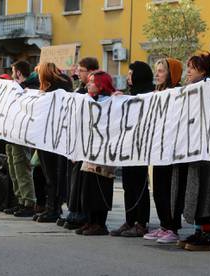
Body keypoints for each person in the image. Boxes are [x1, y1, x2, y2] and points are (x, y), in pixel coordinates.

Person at [173, 53, 210, 251]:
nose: (188, 71)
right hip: (190, 149)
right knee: (192, 191)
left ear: (204, 70)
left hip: (205, 151)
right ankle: (198, 230)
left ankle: (206, 235)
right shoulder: (188, 90)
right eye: (188, 67)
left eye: (193, 67)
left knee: (204, 191)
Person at [110, 61, 154, 237]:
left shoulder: (149, 94)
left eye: (130, 74)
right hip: (127, 147)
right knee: (128, 184)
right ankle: (129, 220)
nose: (128, 77)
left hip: (141, 148)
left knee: (139, 185)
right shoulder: (130, 94)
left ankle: (141, 222)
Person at [143, 58, 183, 244]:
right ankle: (164, 225)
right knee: (158, 189)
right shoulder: (155, 93)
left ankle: (172, 227)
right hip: (158, 150)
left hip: (172, 151)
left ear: (171, 73)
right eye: (156, 70)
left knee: (170, 190)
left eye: (161, 71)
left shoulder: (178, 93)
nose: (157, 74)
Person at [57, 57, 100, 229]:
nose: (77, 73)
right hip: (75, 142)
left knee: (82, 180)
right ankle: (73, 210)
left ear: (90, 72)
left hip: (86, 144)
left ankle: (81, 213)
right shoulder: (81, 90)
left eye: (81, 70)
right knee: (72, 179)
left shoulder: (93, 94)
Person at [75, 70, 116, 236]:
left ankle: (100, 223)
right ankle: (90, 221)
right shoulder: (87, 101)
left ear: (101, 85)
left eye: (92, 81)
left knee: (100, 188)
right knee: (88, 187)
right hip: (89, 152)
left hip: (104, 153)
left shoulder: (110, 102)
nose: (88, 84)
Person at [33, 62, 73, 223]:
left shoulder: (53, 90)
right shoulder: (64, 84)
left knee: (51, 175)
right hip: (54, 137)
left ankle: (53, 209)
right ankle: (52, 207)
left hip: (50, 137)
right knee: (53, 174)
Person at [3, 61, 37, 218]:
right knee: (13, 169)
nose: (11, 74)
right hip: (10, 135)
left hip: (21, 136)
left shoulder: (30, 88)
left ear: (18, 72)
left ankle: (28, 202)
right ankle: (20, 200)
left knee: (22, 168)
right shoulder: (15, 88)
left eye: (13, 71)